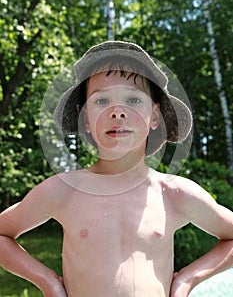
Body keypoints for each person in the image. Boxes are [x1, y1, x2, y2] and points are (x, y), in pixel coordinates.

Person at [0, 41, 232, 297]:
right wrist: (48, 282)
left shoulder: (173, 193)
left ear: (155, 117)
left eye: (133, 99)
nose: (117, 112)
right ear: (85, 119)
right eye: (101, 100)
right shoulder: (64, 191)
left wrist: (188, 279)